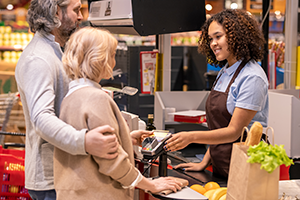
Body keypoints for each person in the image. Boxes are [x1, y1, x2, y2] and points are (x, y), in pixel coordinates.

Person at [54, 27, 183, 200]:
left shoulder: (72, 95)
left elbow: (91, 146)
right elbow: (111, 161)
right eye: (113, 55)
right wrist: (149, 184)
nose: (115, 63)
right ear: (100, 59)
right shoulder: (95, 98)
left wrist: (125, 139)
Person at [15, 0, 120, 199]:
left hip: (63, 174)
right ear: (56, 12)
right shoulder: (38, 58)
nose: (81, 16)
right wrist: (85, 141)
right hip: (51, 181)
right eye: (76, 10)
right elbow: (42, 118)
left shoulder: (55, 52)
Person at [164, 9, 269, 179]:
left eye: (218, 36)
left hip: (246, 168)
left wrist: (191, 137)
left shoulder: (252, 77)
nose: (213, 43)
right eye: (210, 38)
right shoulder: (225, 71)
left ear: (237, 35)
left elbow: (233, 131)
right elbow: (219, 127)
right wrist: (204, 162)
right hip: (223, 164)